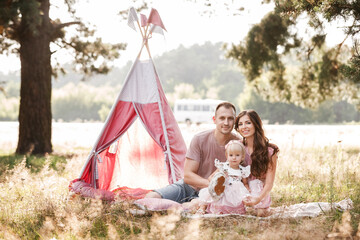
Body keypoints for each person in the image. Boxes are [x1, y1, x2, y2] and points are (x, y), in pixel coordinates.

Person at [145, 102, 240, 203]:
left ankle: (182, 208)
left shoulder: (238, 144)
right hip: (189, 188)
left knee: (192, 206)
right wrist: (212, 184)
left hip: (215, 194)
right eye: (222, 118)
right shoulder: (200, 139)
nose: (226, 122)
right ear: (214, 120)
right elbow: (188, 176)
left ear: (234, 121)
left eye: (230, 119)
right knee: (151, 197)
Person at [234, 109, 279, 217]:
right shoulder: (236, 146)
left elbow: (269, 183)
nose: (244, 127)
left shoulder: (269, 151)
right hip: (240, 187)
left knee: (260, 213)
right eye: (240, 124)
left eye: (248, 123)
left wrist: (258, 199)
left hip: (258, 189)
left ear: (256, 124)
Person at [191, 140, 251, 214]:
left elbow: (245, 183)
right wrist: (217, 179)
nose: (234, 158)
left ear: (242, 157)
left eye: (237, 155)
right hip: (222, 187)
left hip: (236, 190)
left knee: (239, 199)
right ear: (227, 156)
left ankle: (227, 210)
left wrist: (247, 188)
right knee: (210, 194)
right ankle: (202, 207)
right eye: (231, 155)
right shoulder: (223, 166)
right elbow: (211, 177)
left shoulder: (242, 170)